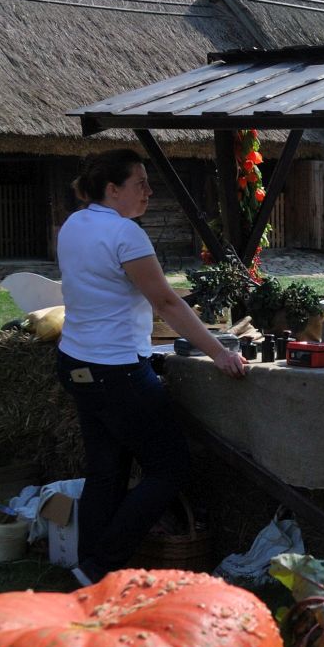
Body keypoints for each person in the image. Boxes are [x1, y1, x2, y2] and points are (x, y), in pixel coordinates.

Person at [57, 149, 248, 586]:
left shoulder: (74, 224)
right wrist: (219, 352)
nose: (148, 190)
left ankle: (87, 571)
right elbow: (164, 301)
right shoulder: (125, 234)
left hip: (76, 363)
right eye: (140, 182)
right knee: (170, 467)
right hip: (115, 370)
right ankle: (101, 565)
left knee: (106, 469)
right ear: (113, 189)